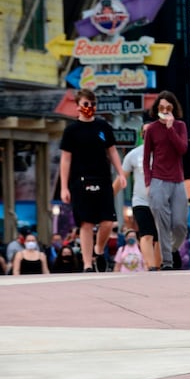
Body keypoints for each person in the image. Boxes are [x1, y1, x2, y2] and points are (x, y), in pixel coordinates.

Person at [59, 89, 126, 271]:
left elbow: (112, 151)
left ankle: (99, 248)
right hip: (80, 180)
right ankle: (88, 264)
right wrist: (64, 187)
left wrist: (120, 173)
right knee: (86, 223)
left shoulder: (103, 127)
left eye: (92, 104)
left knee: (107, 222)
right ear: (78, 106)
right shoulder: (71, 130)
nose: (89, 108)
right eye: (85, 104)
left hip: (103, 178)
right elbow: (65, 159)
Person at [143, 91, 188, 270]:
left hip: (177, 180)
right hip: (158, 179)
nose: (164, 111)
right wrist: (148, 183)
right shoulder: (152, 129)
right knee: (162, 223)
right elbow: (146, 158)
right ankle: (167, 262)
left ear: (173, 109)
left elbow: (182, 149)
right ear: (156, 109)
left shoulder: (180, 126)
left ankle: (171, 248)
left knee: (179, 224)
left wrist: (170, 129)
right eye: (161, 108)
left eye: (168, 108)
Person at [121, 140, 163, 270]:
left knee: (160, 236)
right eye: (146, 132)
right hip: (140, 201)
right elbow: (122, 177)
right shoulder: (133, 154)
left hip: (161, 201)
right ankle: (151, 267)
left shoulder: (164, 152)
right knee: (146, 234)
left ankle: (159, 265)